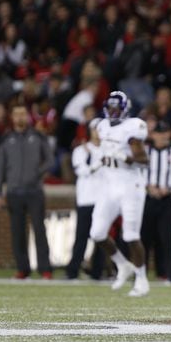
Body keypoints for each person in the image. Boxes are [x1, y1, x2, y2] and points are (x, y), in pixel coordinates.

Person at [88, 91, 151, 297]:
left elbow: (144, 159)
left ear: (125, 109)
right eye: (111, 107)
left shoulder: (134, 126)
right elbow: (103, 149)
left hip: (130, 184)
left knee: (131, 234)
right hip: (109, 184)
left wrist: (126, 157)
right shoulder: (102, 125)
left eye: (117, 108)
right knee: (97, 232)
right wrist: (99, 160)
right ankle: (123, 265)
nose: (114, 112)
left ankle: (141, 279)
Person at [0, 104, 54, 279]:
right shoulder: (6, 139)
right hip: (14, 192)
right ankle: (23, 268)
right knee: (17, 232)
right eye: (16, 114)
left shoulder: (37, 136)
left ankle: (45, 269)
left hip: (34, 191)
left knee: (39, 230)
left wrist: (38, 173)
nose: (20, 117)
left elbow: (50, 160)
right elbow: (0, 168)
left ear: (27, 117)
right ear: (12, 117)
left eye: (23, 114)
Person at [142, 121, 171, 284]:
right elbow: (137, 173)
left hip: (167, 200)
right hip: (147, 199)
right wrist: (147, 187)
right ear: (152, 135)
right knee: (144, 238)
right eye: (158, 133)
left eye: (164, 133)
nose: (161, 136)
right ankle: (141, 275)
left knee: (168, 239)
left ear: (168, 134)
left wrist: (168, 189)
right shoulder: (145, 151)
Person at [66, 118, 105, 280]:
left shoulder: (108, 150)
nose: (99, 132)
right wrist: (98, 163)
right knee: (81, 237)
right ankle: (73, 271)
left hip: (103, 201)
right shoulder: (81, 151)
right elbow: (83, 171)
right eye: (96, 129)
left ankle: (97, 272)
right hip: (86, 200)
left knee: (102, 238)